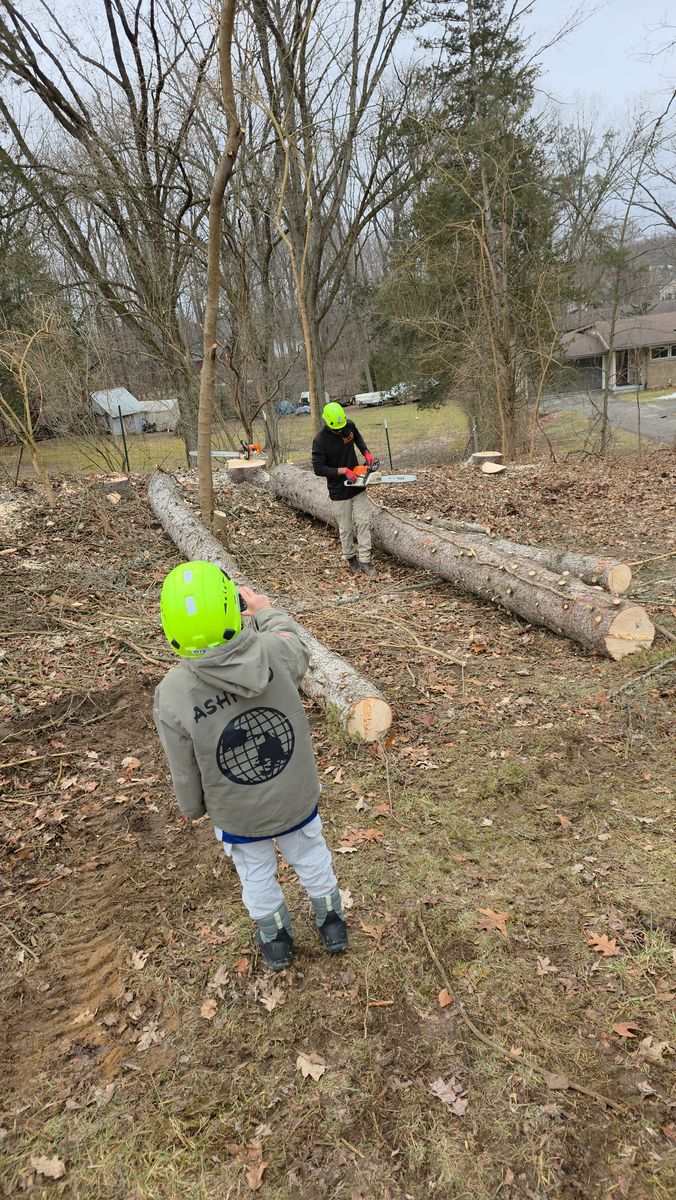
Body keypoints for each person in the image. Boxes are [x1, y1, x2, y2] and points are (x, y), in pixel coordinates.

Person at [153, 561, 347, 971]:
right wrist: (264, 610)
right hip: (294, 796)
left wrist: (193, 808)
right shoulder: (274, 650)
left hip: (237, 812)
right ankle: (332, 922)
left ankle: (275, 939)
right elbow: (295, 640)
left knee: (255, 872)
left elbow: (183, 767)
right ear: (232, 608)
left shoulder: (172, 694)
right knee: (311, 854)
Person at [312, 401, 376, 576]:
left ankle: (365, 560)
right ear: (328, 423)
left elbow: (358, 438)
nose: (341, 431)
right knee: (346, 528)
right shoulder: (320, 441)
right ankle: (351, 558)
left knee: (363, 522)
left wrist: (366, 453)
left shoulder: (348, 425)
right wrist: (343, 471)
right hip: (339, 491)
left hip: (358, 485)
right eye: (337, 429)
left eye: (342, 428)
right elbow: (318, 469)